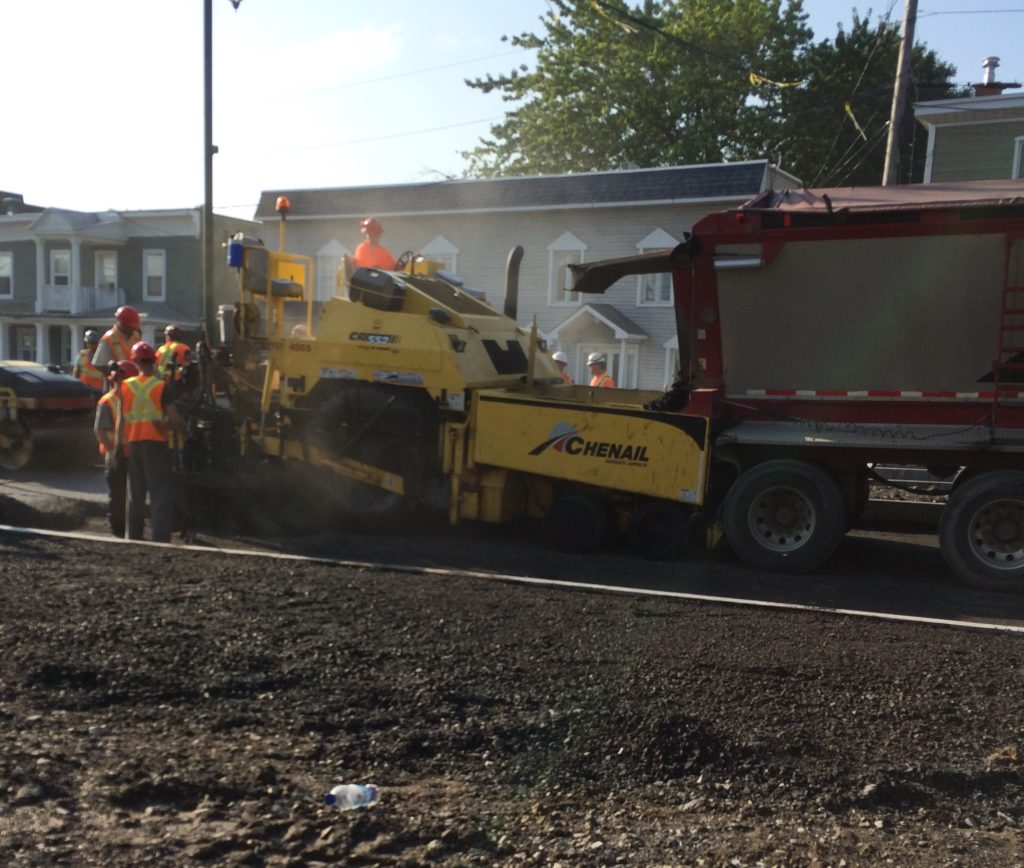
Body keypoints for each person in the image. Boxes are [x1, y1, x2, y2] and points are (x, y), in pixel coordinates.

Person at [120, 341, 183, 543]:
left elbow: (121, 420)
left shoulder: (126, 386)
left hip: (133, 444)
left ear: (135, 361)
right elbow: (173, 418)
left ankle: (134, 536)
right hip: (156, 443)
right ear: (154, 361)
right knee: (159, 492)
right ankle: (160, 537)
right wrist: (184, 432)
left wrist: (120, 446)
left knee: (136, 493)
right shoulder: (161, 386)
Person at [93, 359, 139, 538]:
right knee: (118, 494)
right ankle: (117, 530)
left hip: (132, 452)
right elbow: (99, 430)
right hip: (116, 454)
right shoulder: (108, 401)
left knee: (130, 494)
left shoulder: (131, 399)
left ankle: (127, 528)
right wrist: (112, 451)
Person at [92, 305, 142, 373]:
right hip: (117, 382)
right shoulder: (108, 339)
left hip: (134, 380)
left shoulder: (136, 335)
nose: (133, 329)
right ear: (122, 324)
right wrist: (115, 375)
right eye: (130, 326)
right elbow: (98, 364)